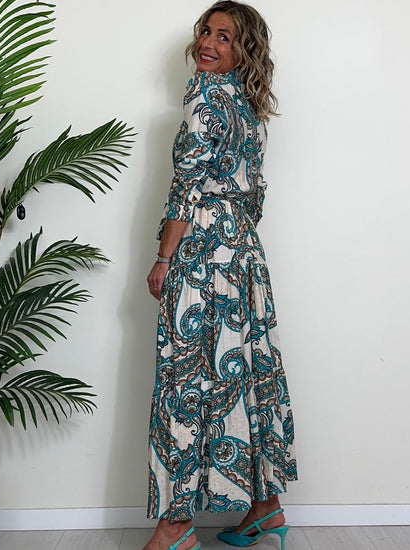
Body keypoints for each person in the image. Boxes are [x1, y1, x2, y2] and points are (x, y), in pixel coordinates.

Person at [145, 2, 297, 550]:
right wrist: (236, 241)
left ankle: (176, 527)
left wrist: (165, 256)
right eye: (205, 32)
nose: (208, 43)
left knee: (186, 382)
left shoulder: (206, 97)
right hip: (244, 254)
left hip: (203, 252)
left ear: (243, 49)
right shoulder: (251, 109)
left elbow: (186, 185)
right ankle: (265, 508)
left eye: (224, 37)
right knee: (246, 374)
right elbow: (256, 194)